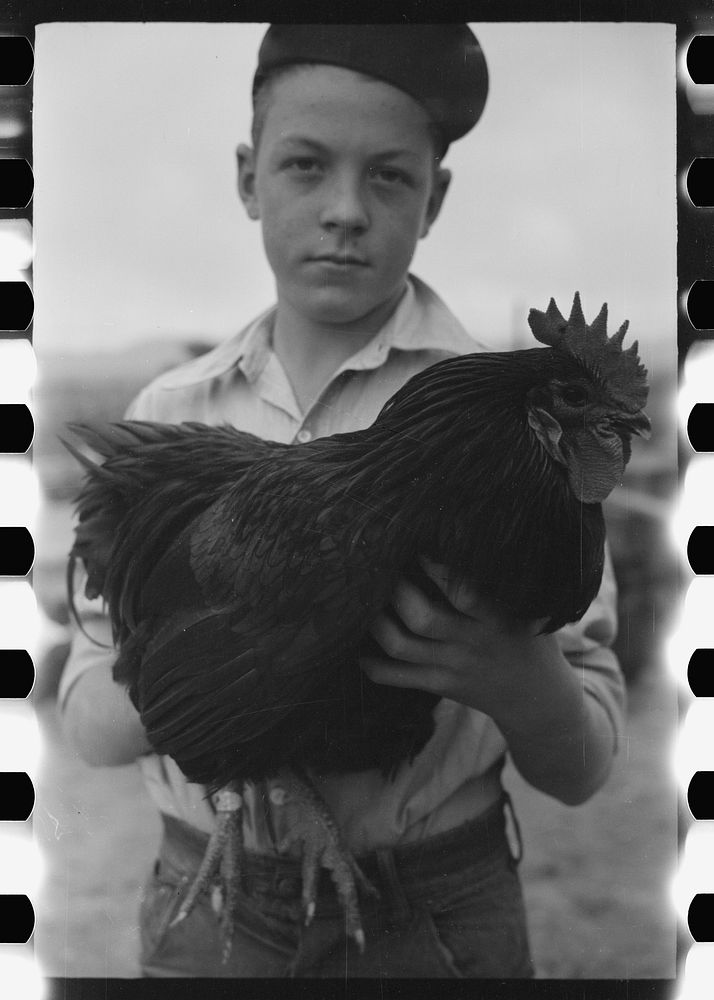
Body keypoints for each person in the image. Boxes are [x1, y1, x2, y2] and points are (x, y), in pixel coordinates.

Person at [59, 24, 624, 978]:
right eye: (306, 166)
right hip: (213, 884)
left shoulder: (500, 431)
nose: (345, 211)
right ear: (249, 179)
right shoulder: (170, 409)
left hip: (437, 897)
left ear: (435, 196)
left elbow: (586, 763)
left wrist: (516, 677)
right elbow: (87, 712)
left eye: (390, 177)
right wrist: (223, 663)